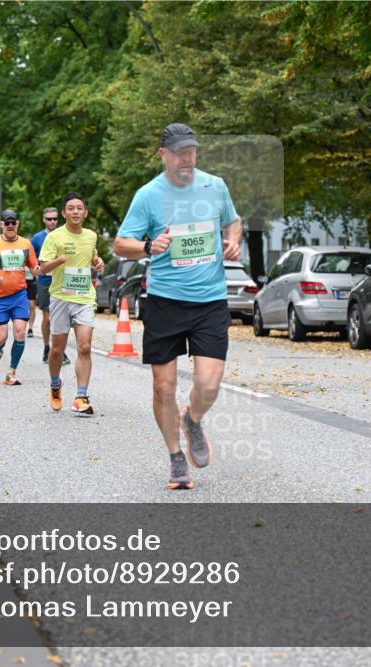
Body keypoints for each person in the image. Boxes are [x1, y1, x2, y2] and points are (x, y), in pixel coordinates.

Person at [114, 122, 243, 490]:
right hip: (165, 301)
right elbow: (121, 244)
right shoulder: (148, 195)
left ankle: (193, 419)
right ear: (163, 155)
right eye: (181, 153)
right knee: (163, 387)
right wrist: (147, 246)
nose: (188, 158)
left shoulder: (214, 186)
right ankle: (175, 459)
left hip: (210, 300)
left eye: (192, 151)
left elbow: (233, 223)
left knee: (208, 384)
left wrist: (232, 242)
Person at [36, 193, 105, 415]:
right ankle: (55, 384)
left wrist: (97, 261)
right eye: (71, 208)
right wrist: (59, 260)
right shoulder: (54, 237)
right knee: (57, 349)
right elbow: (42, 268)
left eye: (79, 208)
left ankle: (81, 396)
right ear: (64, 213)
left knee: (84, 346)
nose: (75, 212)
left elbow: (92, 256)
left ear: (85, 212)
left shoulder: (91, 236)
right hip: (60, 297)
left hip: (84, 297)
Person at [0, 210, 39, 385]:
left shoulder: (26, 244)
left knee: (20, 332)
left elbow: (35, 267)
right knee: (1, 338)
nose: (10, 226)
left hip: (19, 295)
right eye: (7, 222)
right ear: (1, 224)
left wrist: (41, 270)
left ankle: (11, 372)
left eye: (13, 222)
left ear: (18, 223)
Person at [30, 207, 69, 365]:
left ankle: (59, 350)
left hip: (62, 281)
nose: (52, 221)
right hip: (45, 281)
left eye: (54, 219)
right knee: (47, 318)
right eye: (49, 219)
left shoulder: (64, 235)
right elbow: (31, 260)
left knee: (60, 318)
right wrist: (34, 271)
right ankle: (47, 348)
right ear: (44, 220)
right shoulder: (37, 238)